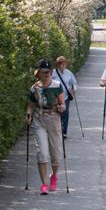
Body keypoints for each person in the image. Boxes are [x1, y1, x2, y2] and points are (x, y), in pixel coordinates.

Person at [26, 58, 65, 195]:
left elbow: (62, 103)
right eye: (44, 71)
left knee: (56, 155)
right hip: (39, 119)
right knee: (42, 153)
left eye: (49, 71)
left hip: (54, 119)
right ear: (39, 73)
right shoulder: (34, 88)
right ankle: (44, 183)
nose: (47, 73)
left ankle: (54, 175)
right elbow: (31, 105)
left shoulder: (57, 85)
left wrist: (61, 107)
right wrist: (28, 114)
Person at [52, 56, 77, 138]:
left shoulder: (69, 73)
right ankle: (57, 130)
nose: (62, 65)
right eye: (60, 64)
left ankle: (64, 132)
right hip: (54, 97)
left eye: (64, 63)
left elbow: (74, 83)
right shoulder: (53, 73)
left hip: (65, 96)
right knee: (56, 113)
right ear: (58, 65)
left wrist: (74, 90)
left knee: (65, 113)